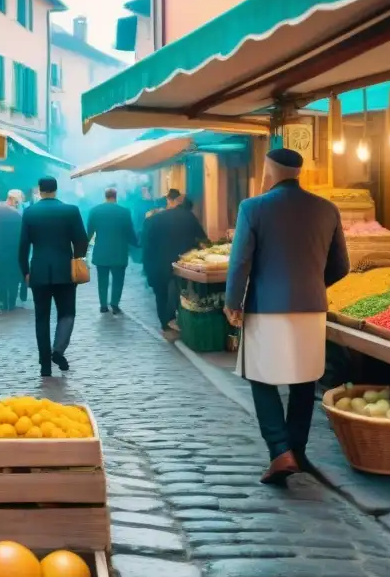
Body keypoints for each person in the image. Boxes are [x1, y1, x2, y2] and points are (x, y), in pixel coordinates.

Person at [224, 148, 349, 485]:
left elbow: (239, 261)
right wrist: (310, 285)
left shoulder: (253, 207)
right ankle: (298, 450)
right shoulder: (327, 208)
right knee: (304, 380)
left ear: (270, 170)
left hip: (267, 307)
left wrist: (232, 300)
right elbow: (342, 266)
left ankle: (280, 450)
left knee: (261, 377)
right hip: (311, 306)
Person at [19, 176, 88, 377]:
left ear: (40, 190)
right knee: (67, 313)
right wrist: (76, 258)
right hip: (65, 271)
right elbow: (82, 240)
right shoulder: (71, 211)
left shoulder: (29, 212)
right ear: (56, 190)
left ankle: (45, 366)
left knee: (41, 318)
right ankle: (58, 350)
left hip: (39, 271)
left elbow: (23, 246)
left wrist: (25, 271)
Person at [141, 189, 207, 335]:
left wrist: (147, 267)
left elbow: (147, 245)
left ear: (169, 201)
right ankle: (177, 320)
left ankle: (165, 323)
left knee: (161, 294)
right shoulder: (188, 216)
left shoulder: (154, 219)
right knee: (180, 292)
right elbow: (203, 239)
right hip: (183, 263)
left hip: (159, 264)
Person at [86, 188, 138, 314]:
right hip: (119, 252)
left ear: (105, 196)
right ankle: (115, 304)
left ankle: (103, 305)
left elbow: (89, 231)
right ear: (116, 197)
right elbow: (130, 232)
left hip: (101, 252)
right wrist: (136, 244)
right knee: (118, 280)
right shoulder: (124, 212)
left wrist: (85, 246)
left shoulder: (95, 211)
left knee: (102, 280)